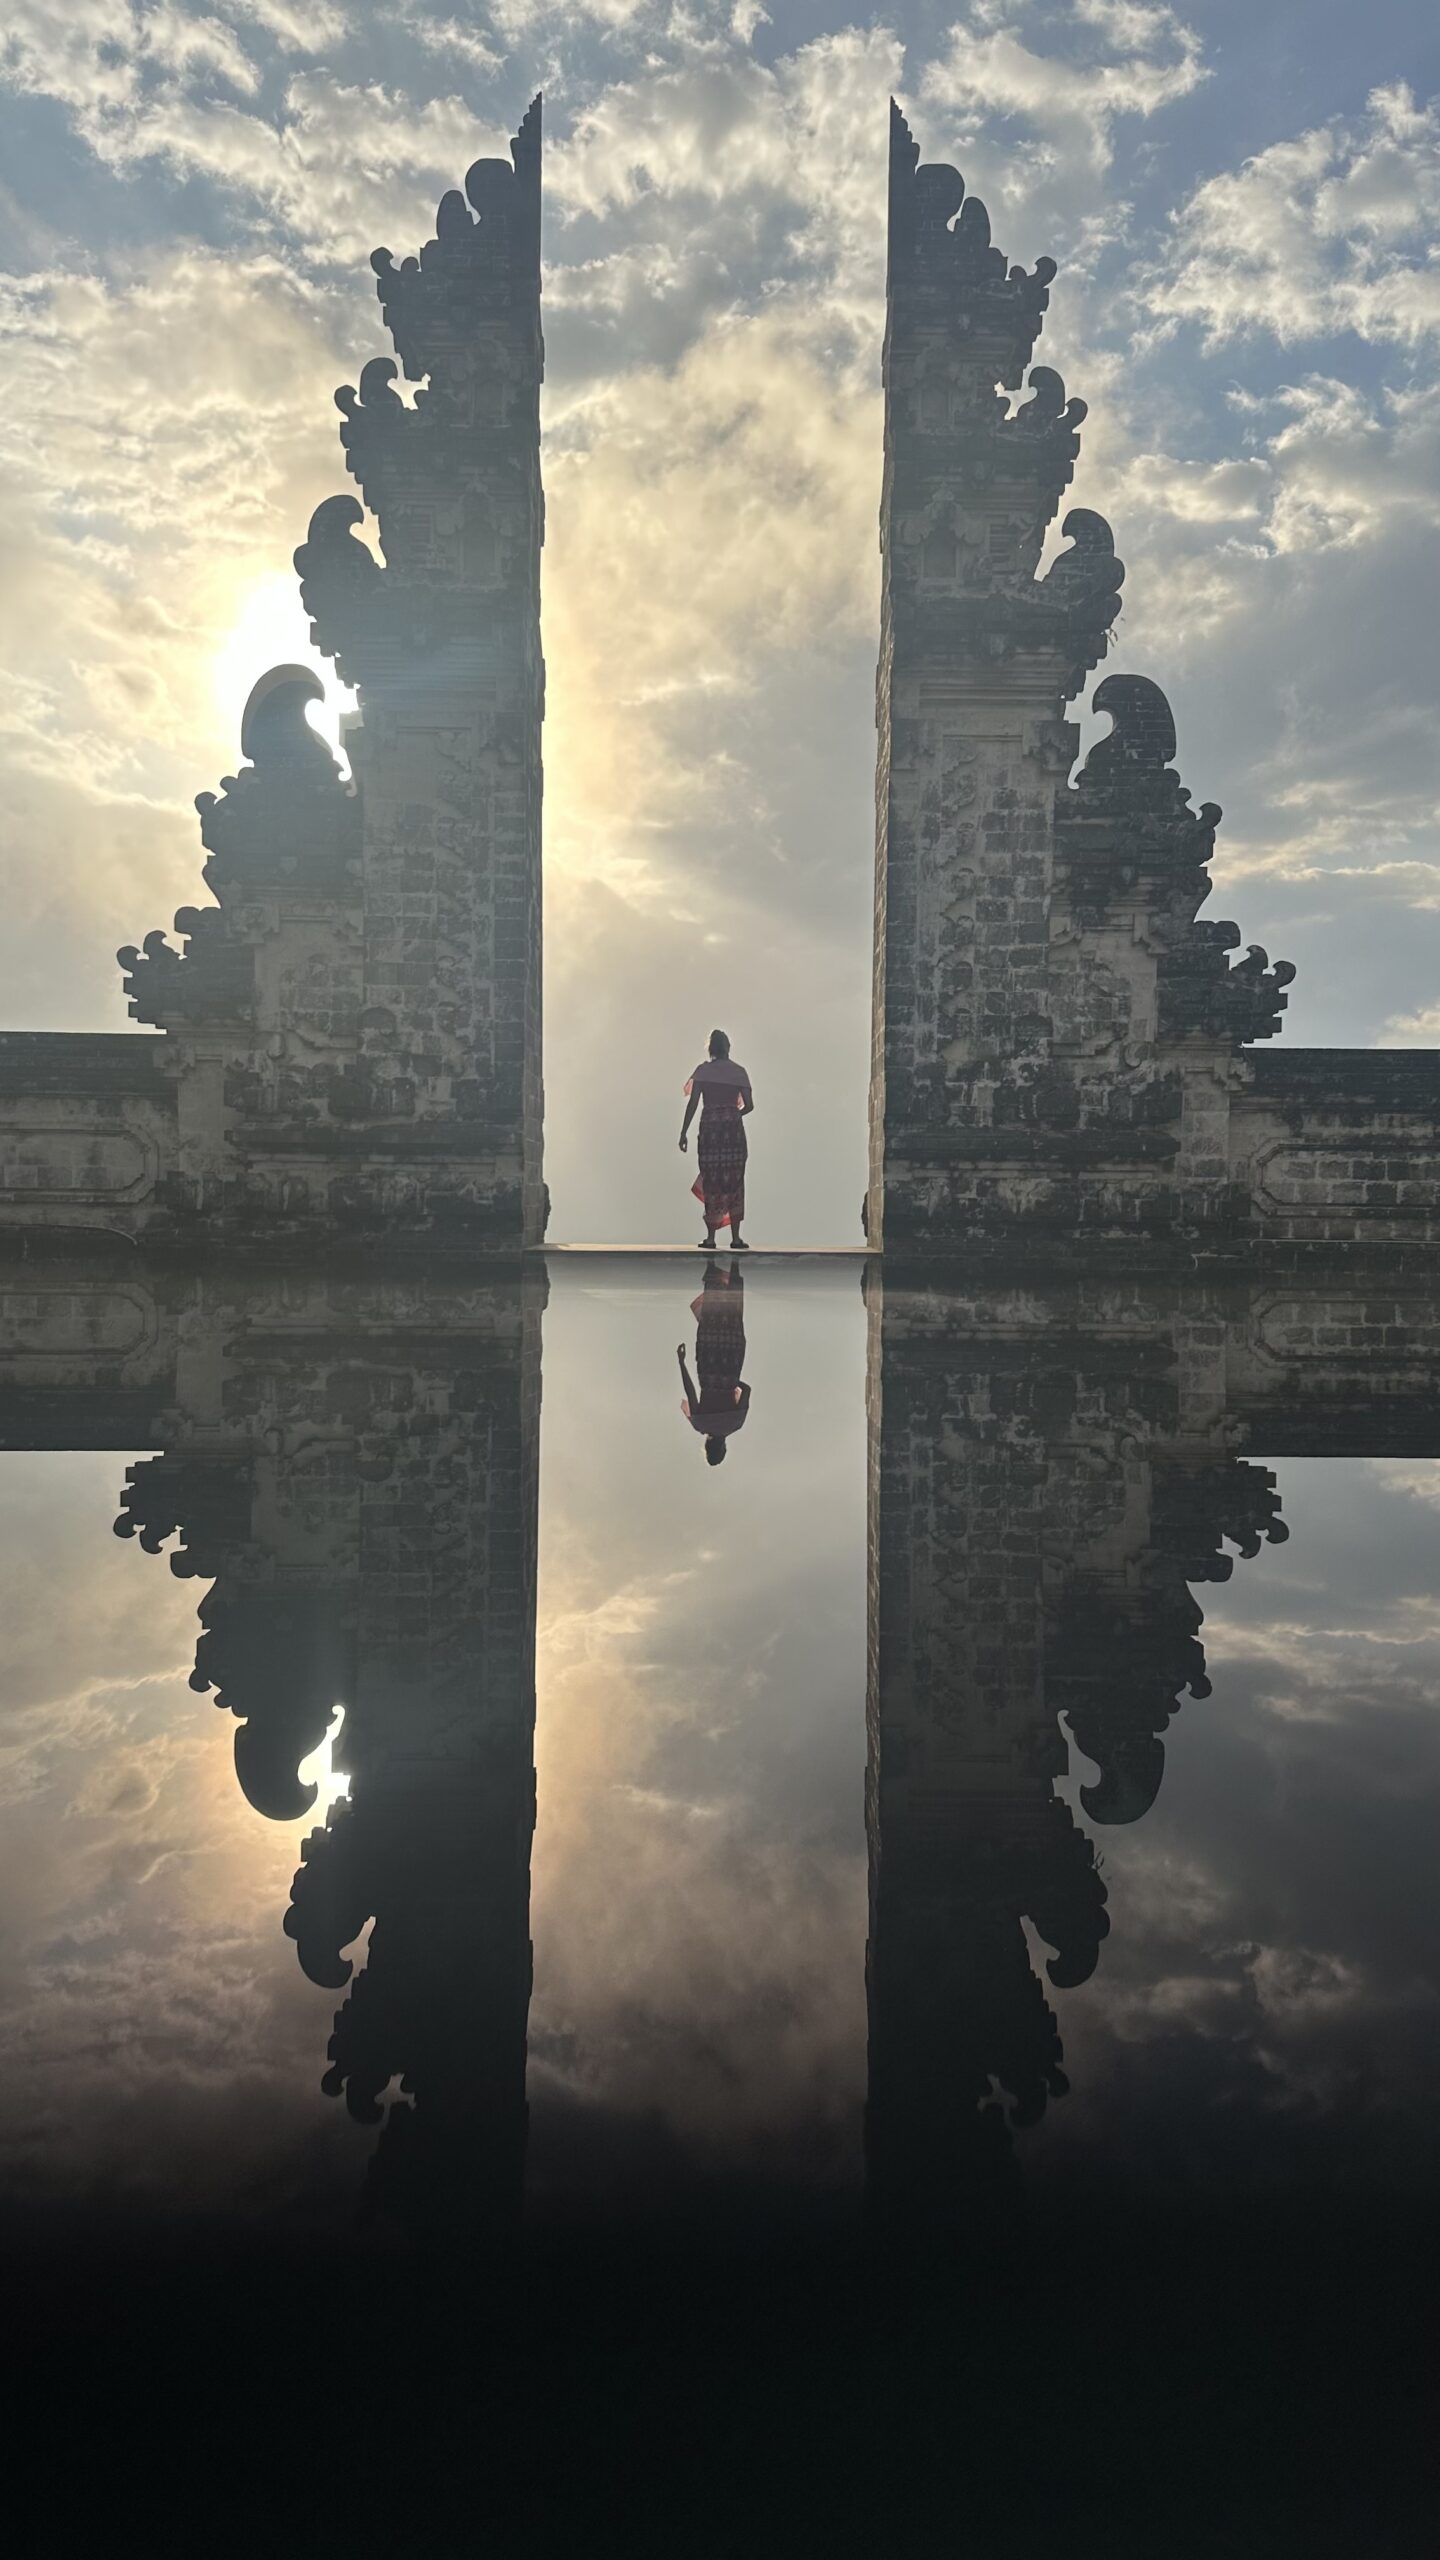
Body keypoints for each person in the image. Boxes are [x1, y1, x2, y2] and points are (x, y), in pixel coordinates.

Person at [679, 1029, 754, 1249]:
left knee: (712, 1180)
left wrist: (683, 1132)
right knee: (734, 1180)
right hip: (733, 1132)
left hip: (710, 1131)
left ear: (711, 1049)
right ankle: (736, 1238)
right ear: (728, 1048)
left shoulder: (703, 1071)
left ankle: (711, 1238)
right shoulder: (739, 1072)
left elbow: (693, 1103)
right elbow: (749, 1106)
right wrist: (733, 1114)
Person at [677, 1260, 750, 1465]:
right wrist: (681, 1362)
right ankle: (711, 1262)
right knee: (710, 1315)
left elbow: (747, 1390)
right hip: (707, 1365)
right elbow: (690, 1391)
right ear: (708, 1445)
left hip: (731, 1364)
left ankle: (735, 1263)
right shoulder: (700, 1424)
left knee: (734, 1314)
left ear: (724, 1447)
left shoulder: (736, 1423)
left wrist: (733, 1381)